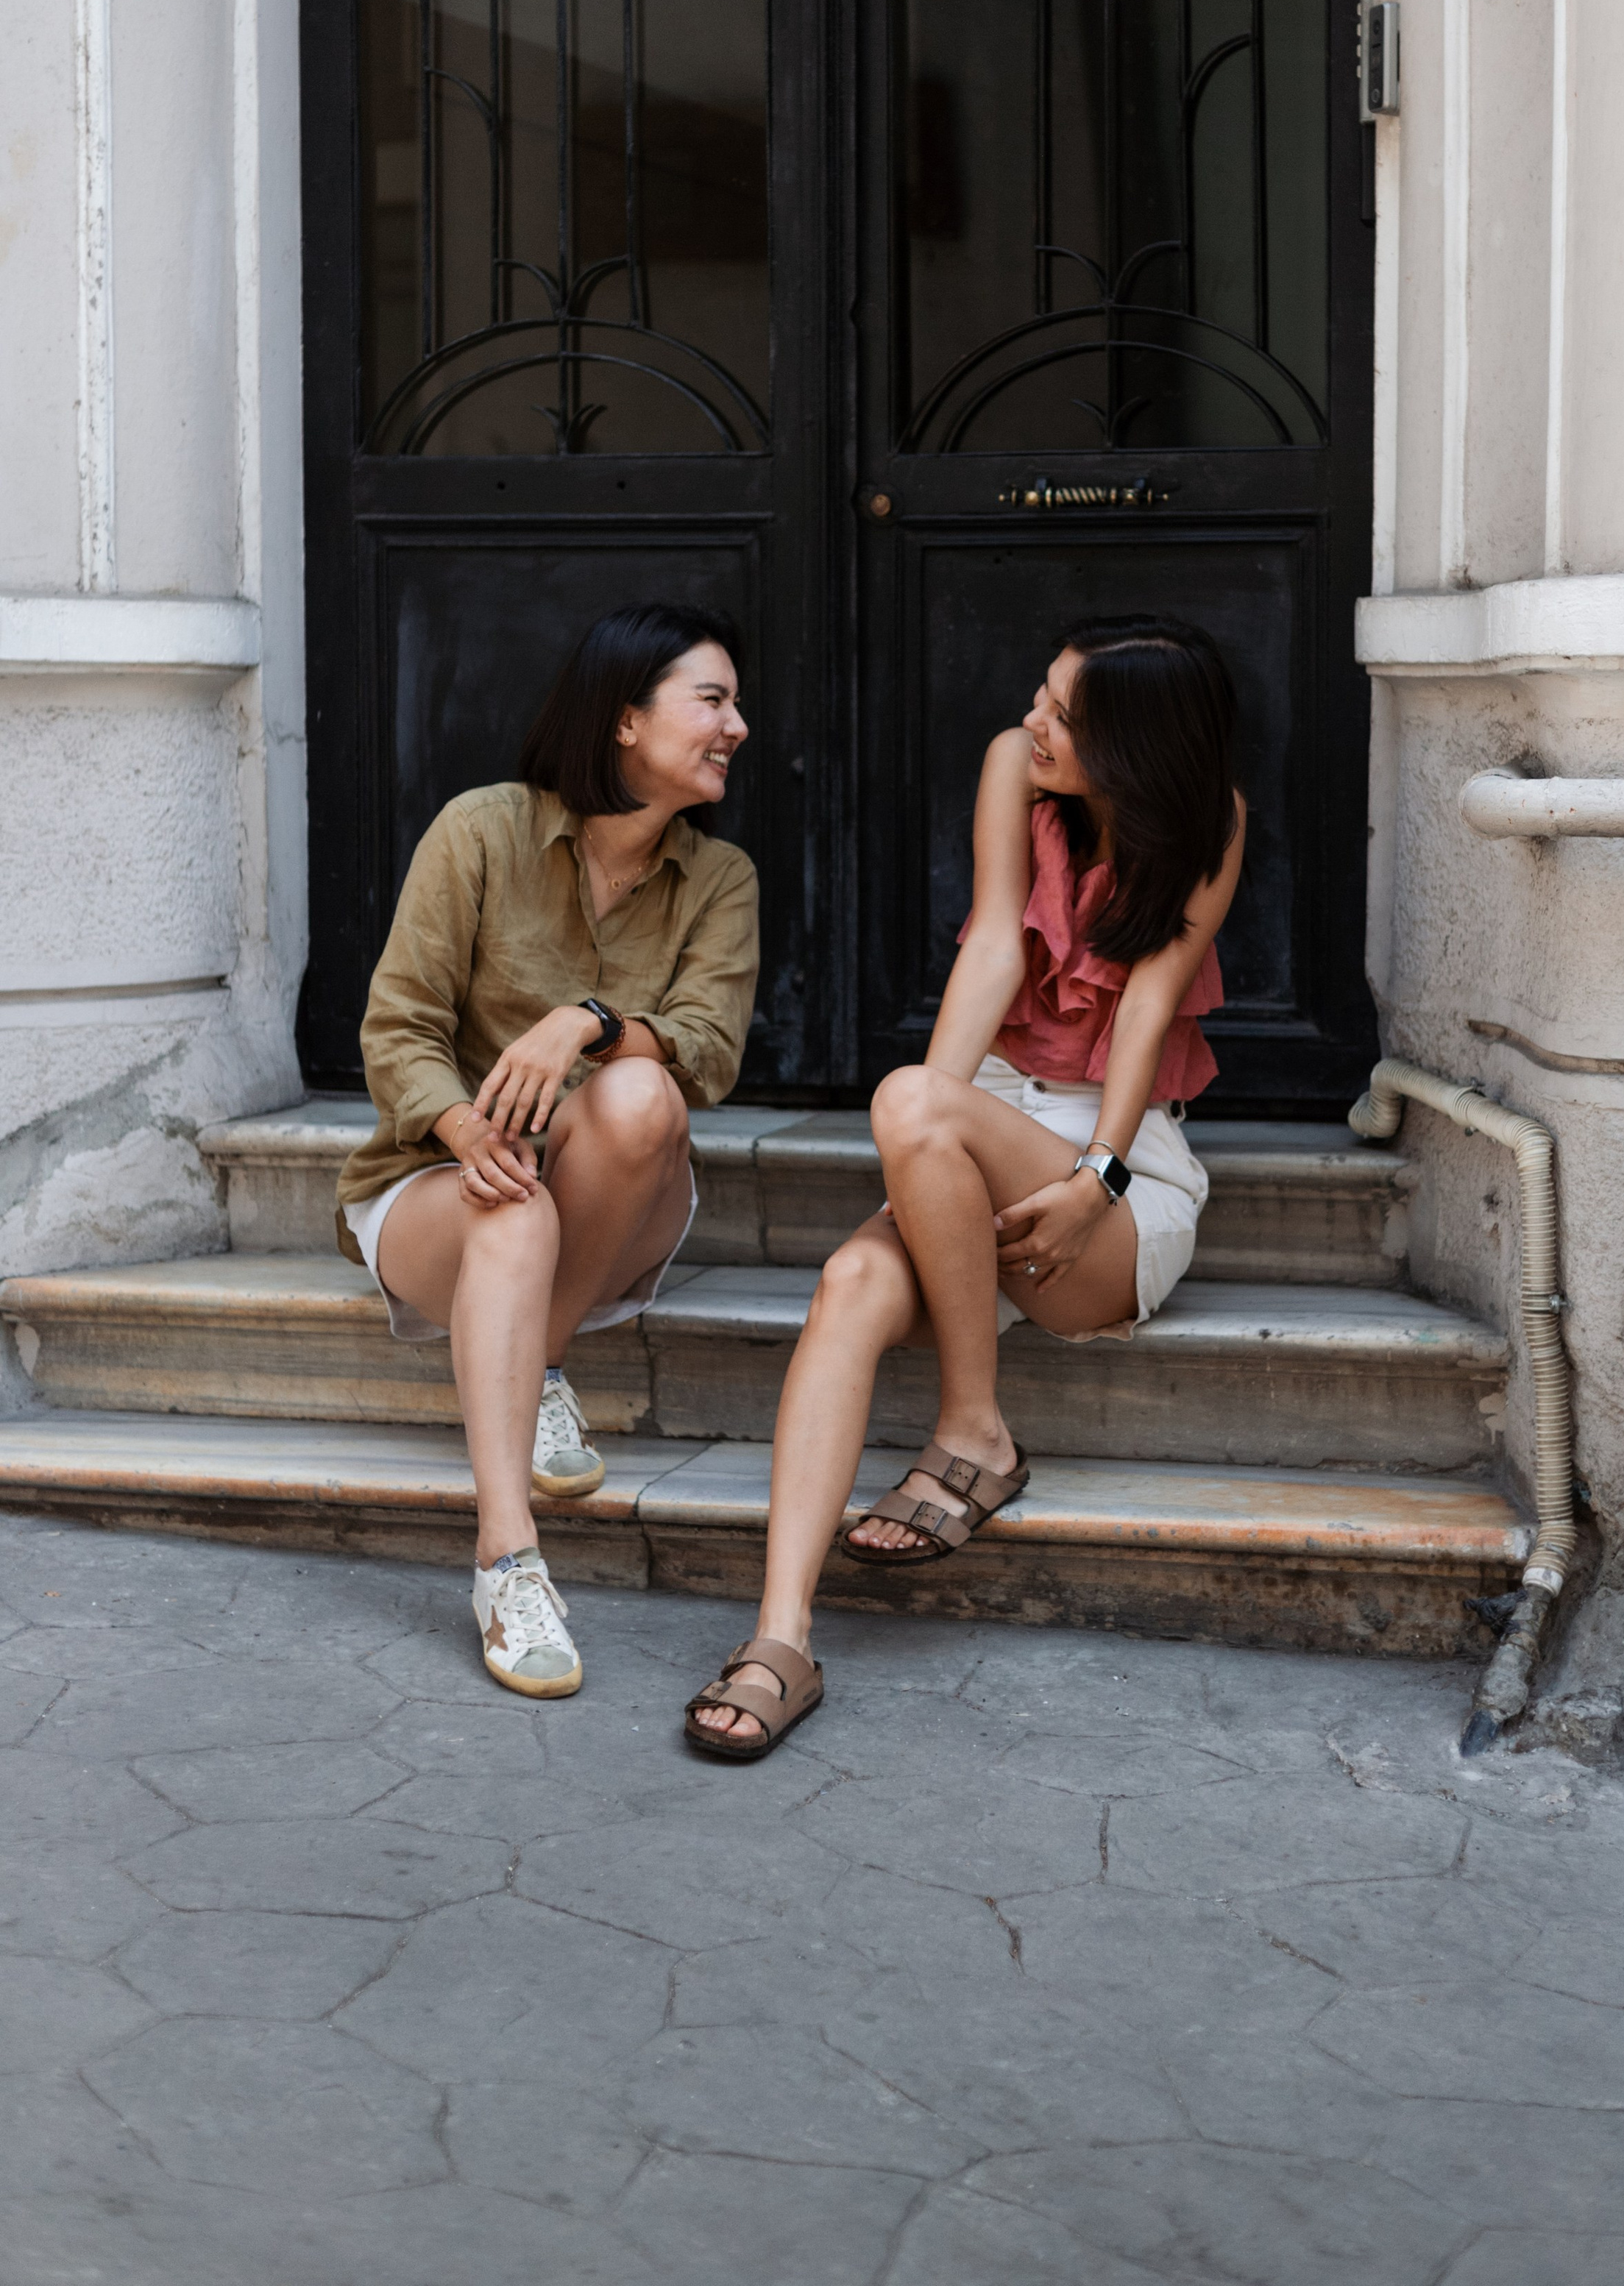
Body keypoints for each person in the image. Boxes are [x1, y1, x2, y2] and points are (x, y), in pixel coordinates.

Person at [684, 614, 1242, 1758]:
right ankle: (780, 1639)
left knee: (914, 1103)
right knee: (849, 1279)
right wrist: (921, 1145)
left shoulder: (1210, 821)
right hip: (978, 1118)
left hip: (1115, 1166)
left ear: (1134, 749)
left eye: (1061, 715)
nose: (1032, 721)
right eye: (1040, 693)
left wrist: (1102, 1170)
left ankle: (971, 1430)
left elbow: (1145, 1004)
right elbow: (994, 942)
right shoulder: (1012, 766)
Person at [336, 601, 758, 1700]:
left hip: (616, 1191)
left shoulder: (720, 880)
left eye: (733, 703)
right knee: (512, 1204)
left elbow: (708, 1051)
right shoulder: (480, 831)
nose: (737, 726)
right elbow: (398, 1026)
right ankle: (506, 1560)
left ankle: (544, 1354)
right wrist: (464, 1126)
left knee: (641, 1097)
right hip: (440, 1182)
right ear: (626, 720)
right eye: (712, 701)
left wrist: (591, 1019)